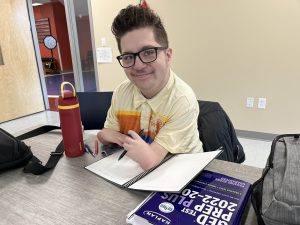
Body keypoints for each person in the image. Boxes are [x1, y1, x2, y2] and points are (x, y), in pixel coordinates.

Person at [97, 4, 202, 170]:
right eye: (128, 56)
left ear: (168, 56)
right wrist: (107, 135)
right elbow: (106, 135)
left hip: (184, 175)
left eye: (148, 52)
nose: (138, 65)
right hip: (136, 173)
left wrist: (113, 136)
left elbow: (150, 160)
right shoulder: (122, 92)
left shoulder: (183, 99)